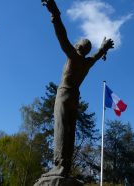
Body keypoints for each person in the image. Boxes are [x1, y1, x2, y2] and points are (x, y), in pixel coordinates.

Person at [41, 0, 114, 177]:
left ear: (77, 46)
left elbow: (61, 35)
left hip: (65, 94)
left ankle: (59, 166)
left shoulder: (73, 56)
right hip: (75, 97)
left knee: (60, 128)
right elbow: (97, 55)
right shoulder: (87, 63)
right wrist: (103, 48)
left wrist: (55, 14)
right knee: (69, 131)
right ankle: (65, 166)